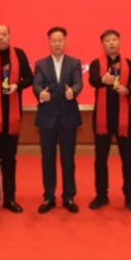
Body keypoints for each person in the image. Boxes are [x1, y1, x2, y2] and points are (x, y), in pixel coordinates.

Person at [0, 24, 34, 216]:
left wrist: (17, 86)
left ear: (10, 36)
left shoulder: (19, 54)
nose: (1, 38)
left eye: (4, 34)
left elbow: (29, 78)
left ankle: (10, 198)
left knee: (10, 158)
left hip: (13, 114)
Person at [87, 29, 131, 212]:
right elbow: (92, 80)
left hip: (124, 119)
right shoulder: (96, 63)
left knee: (128, 159)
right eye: (107, 41)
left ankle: (130, 197)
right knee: (100, 158)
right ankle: (101, 195)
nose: (111, 43)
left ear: (119, 42)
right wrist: (103, 80)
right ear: (102, 44)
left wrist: (128, 90)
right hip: (102, 119)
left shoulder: (129, 64)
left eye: (114, 40)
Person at [33, 26, 83, 213]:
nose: (57, 43)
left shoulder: (74, 62)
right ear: (49, 42)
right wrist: (41, 94)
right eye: (53, 40)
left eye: (60, 40)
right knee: (48, 160)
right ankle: (49, 197)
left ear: (65, 42)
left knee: (68, 160)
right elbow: (37, 84)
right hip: (47, 118)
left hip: (68, 118)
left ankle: (68, 196)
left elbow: (78, 83)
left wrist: (73, 92)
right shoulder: (40, 64)